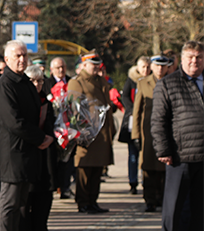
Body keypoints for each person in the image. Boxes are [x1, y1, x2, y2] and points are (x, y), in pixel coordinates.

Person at [0, 40, 54, 231]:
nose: (22, 59)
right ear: (6, 59)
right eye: (17, 56)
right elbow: (14, 121)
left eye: (25, 55)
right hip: (13, 152)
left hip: (29, 151)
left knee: (21, 202)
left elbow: (39, 112)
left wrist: (48, 133)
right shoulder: (4, 85)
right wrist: (40, 139)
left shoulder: (25, 83)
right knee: (10, 201)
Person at [151, 41, 204, 231]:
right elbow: (158, 121)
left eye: (199, 57)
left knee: (200, 209)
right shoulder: (167, 84)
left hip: (203, 156)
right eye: (190, 57)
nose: (195, 61)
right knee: (173, 207)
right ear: (181, 60)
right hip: (178, 156)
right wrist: (163, 150)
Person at [68, 53, 116, 214]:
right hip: (87, 133)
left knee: (97, 170)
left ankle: (93, 201)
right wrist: (78, 132)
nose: (96, 67)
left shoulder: (102, 81)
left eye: (98, 64)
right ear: (84, 65)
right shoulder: (77, 82)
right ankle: (83, 202)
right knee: (84, 169)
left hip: (101, 133)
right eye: (92, 64)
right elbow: (72, 110)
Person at [23, 64, 58, 231]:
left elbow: (53, 123)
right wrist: (39, 138)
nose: (37, 84)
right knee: (27, 202)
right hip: (29, 156)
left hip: (46, 157)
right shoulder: (23, 101)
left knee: (44, 202)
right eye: (33, 81)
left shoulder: (47, 101)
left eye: (40, 81)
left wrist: (53, 136)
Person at [133, 53, 171, 213]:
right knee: (148, 167)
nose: (160, 69)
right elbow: (137, 111)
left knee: (164, 168)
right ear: (152, 66)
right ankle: (149, 200)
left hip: (167, 131)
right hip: (148, 132)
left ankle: (162, 198)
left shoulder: (172, 82)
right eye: (157, 65)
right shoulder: (143, 83)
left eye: (163, 66)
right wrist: (135, 134)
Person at [43, 57, 74, 199]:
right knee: (55, 159)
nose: (61, 70)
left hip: (69, 127)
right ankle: (55, 185)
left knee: (68, 159)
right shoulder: (47, 83)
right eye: (57, 68)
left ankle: (66, 186)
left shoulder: (72, 82)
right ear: (51, 70)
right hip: (53, 126)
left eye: (63, 67)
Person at [119, 56, 150, 195]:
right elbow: (124, 97)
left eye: (148, 67)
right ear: (137, 67)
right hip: (132, 121)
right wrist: (133, 109)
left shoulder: (152, 80)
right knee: (133, 155)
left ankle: (145, 181)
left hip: (147, 121)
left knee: (145, 154)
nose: (146, 70)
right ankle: (132, 182)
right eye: (143, 67)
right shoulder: (132, 80)